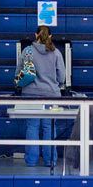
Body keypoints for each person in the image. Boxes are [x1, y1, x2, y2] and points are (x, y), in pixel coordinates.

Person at [16, 25, 65, 167]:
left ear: (35, 34)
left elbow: (18, 73)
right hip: (51, 94)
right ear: (50, 36)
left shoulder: (27, 51)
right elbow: (62, 77)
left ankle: (31, 161)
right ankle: (50, 160)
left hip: (30, 94)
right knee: (49, 127)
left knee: (32, 127)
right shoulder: (56, 53)